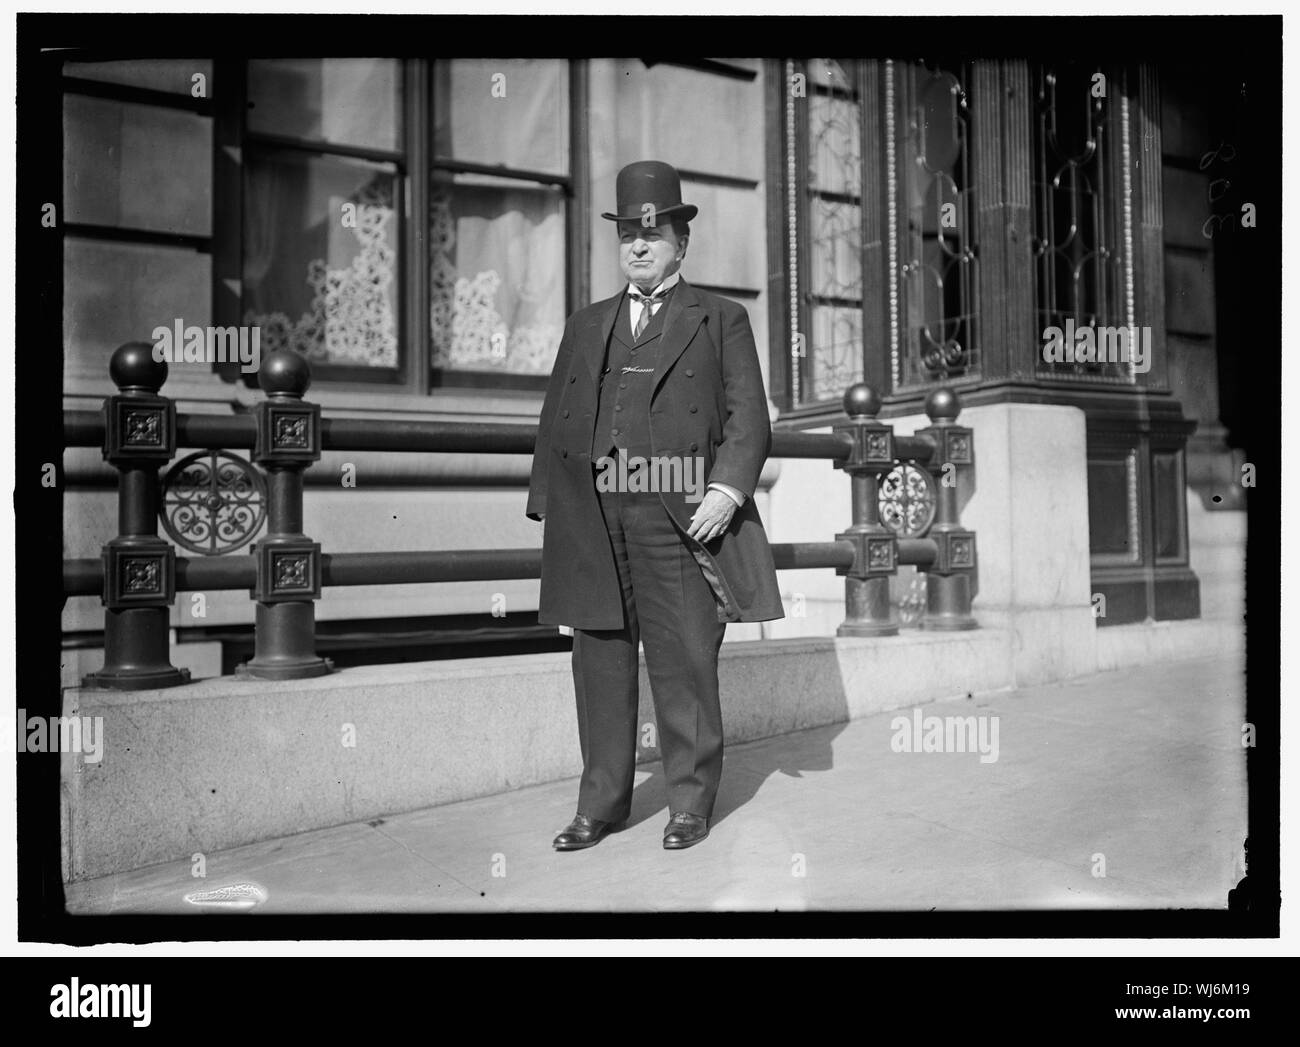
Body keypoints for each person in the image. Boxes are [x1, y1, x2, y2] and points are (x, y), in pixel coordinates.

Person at [526, 160, 784, 851]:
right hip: (595, 518)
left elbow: (748, 417)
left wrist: (726, 492)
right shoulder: (587, 324)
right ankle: (601, 803)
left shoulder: (721, 319)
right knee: (600, 663)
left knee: (685, 660)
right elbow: (557, 419)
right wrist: (555, 522)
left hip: (679, 519)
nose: (639, 246)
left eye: (653, 233)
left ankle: (690, 802)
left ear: (681, 243)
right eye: (629, 236)